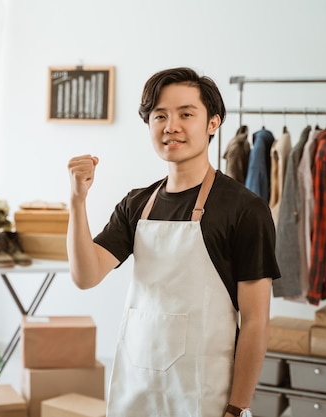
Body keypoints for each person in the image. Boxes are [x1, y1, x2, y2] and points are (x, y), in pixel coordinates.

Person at [67, 67, 280, 417]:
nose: (171, 126)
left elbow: (257, 320)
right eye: (159, 116)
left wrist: (237, 408)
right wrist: (77, 200)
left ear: (213, 123)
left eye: (186, 114)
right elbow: (85, 276)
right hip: (135, 390)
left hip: (204, 396)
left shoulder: (245, 210)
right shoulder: (136, 204)